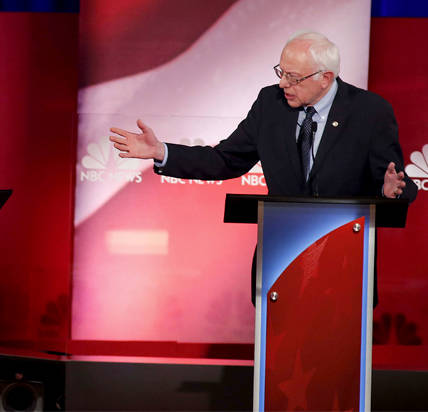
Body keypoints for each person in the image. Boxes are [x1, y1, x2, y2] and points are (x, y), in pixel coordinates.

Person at [109, 31, 418, 301]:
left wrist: (390, 191)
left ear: (325, 78)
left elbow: (396, 181)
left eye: (293, 77)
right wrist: (161, 151)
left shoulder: (370, 111)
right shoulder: (270, 103)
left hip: (345, 264)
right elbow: (225, 160)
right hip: (280, 263)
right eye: (281, 72)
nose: (283, 83)